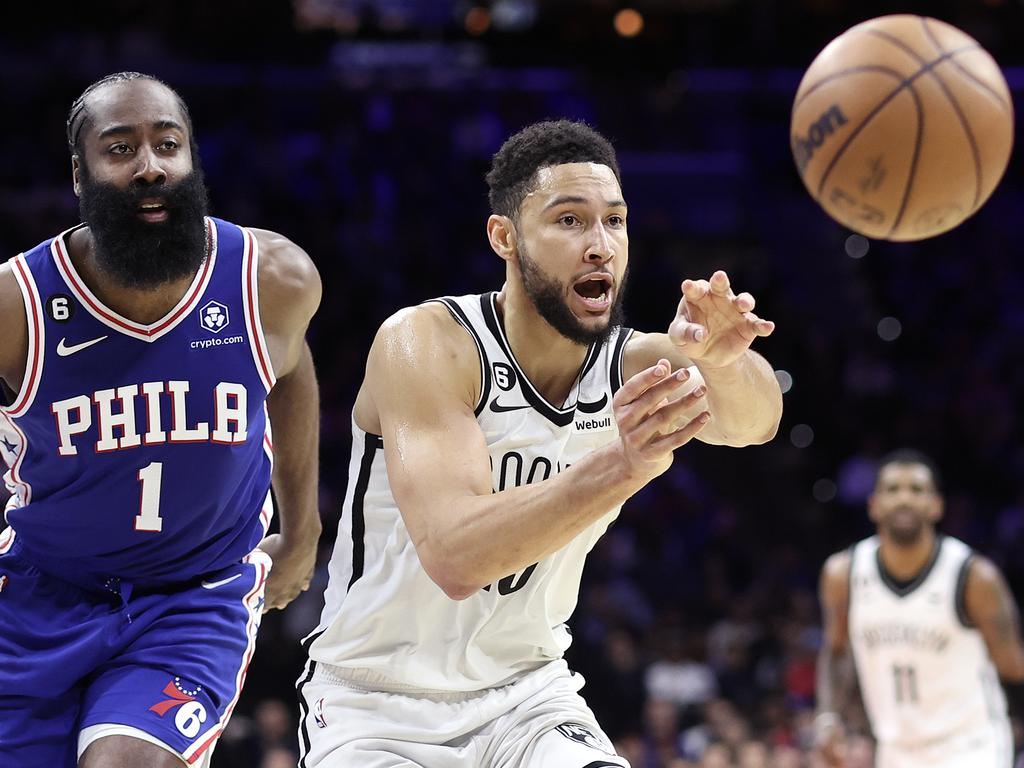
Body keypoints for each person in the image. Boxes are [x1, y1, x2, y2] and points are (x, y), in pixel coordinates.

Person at [297, 119, 782, 767]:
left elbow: (757, 422)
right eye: (570, 221)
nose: (601, 245)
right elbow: (457, 557)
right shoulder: (429, 343)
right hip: (374, 703)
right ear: (504, 236)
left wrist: (721, 361)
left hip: (527, 695)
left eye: (615, 221)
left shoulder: (633, 365)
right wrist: (624, 465)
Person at [0, 72, 322, 767]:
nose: (150, 166)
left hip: (191, 600)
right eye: (120, 148)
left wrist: (302, 531)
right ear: (81, 175)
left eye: (167, 145)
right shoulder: (16, 305)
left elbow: (291, 370)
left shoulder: (270, 277)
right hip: (39, 595)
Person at [816, 449, 1024, 768]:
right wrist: (828, 718)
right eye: (892, 489)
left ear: (936, 505)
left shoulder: (974, 577)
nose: (904, 499)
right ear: (873, 504)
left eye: (917, 490)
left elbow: (1012, 663)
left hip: (971, 745)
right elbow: (837, 651)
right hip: (896, 749)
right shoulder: (843, 574)